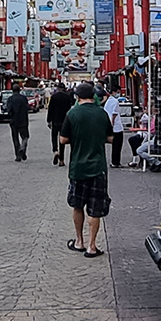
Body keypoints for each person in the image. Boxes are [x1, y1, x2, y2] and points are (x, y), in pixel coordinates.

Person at [61, 81, 113, 256]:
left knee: (77, 205)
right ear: (94, 96)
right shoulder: (102, 114)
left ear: (77, 97)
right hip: (98, 167)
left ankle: (79, 242)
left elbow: (63, 140)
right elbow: (111, 138)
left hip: (78, 167)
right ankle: (92, 246)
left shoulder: (72, 113)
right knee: (95, 207)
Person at [47, 82, 75, 166]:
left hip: (55, 120)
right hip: (64, 120)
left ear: (58, 88)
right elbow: (70, 108)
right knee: (62, 139)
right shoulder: (67, 97)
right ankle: (61, 160)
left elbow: (50, 109)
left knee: (54, 136)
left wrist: (49, 120)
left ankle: (55, 151)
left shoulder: (54, 97)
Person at [4, 85, 32, 161]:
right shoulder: (23, 98)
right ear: (19, 90)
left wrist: (11, 115)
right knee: (25, 137)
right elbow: (27, 107)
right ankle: (23, 148)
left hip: (14, 120)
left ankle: (18, 155)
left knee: (15, 138)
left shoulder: (10, 99)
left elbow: (9, 110)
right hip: (23, 120)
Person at [103, 88, 127, 167]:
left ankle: (114, 161)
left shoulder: (108, 101)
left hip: (109, 124)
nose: (118, 94)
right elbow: (114, 114)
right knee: (117, 145)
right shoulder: (115, 101)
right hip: (116, 126)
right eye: (117, 92)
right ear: (113, 92)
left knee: (115, 145)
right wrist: (112, 124)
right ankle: (116, 162)